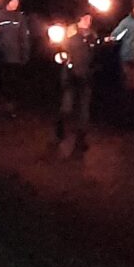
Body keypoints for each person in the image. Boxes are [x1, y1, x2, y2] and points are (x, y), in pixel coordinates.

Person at [51, 12, 98, 159]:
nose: (88, 21)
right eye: (85, 18)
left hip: (86, 76)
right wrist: (62, 57)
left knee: (84, 110)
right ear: (79, 19)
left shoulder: (92, 36)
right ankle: (59, 129)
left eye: (90, 18)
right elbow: (60, 52)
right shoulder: (70, 35)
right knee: (67, 107)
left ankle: (81, 139)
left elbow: (95, 55)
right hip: (71, 76)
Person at [0, 0, 34, 117]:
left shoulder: (20, 17)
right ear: (8, 1)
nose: (16, 3)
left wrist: (25, 53)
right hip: (1, 56)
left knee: (13, 83)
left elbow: (24, 37)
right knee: (1, 82)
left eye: (17, 1)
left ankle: (10, 109)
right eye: (13, 1)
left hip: (15, 57)